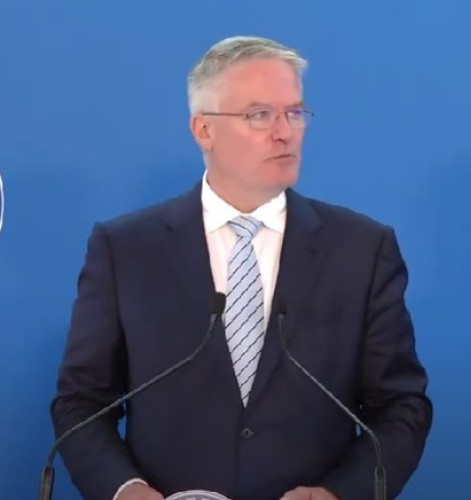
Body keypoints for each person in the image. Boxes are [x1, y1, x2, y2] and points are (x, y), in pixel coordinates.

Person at [51, 36, 432, 500]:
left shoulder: (362, 250)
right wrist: (124, 490)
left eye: (295, 113)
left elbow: (399, 406)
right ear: (203, 130)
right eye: (259, 115)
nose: (284, 132)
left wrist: (339, 494)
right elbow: (81, 403)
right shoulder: (126, 249)